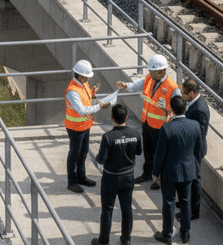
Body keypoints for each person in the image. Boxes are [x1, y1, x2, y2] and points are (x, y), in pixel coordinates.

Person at [116, 54, 180, 190]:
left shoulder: (172, 88)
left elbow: (179, 109)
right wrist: (125, 85)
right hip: (147, 123)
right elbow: (136, 85)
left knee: (160, 154)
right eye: (149, 71)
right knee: (148, 151)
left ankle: (159, 179)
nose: (150, 74)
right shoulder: (149, 79)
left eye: (153, 71)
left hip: (162, 127)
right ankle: (147, 173)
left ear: (162, 71)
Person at [152, 95, 202, 245]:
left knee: (168, 203)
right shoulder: (195, 125)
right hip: (187, 171)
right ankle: (185, 233)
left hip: (169, 173)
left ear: (170, 109)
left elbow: (160, 154)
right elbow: (198, 151)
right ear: (185, 108)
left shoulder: (167, 129)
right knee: (186, 202)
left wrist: (155, 172)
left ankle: (167, 234)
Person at [92, 104, 141, 245]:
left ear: (112, 118)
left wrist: (97, 156)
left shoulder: (108, 137)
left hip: (111, 178)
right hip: (128, 177)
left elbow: (101, 160)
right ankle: (126, 239)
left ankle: (103, 240)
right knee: (127, 209)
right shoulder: (135, 134)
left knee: (107, 209)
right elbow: (138, 152)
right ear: (127, 117)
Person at [65, 60, 110, 193]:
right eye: (85, 77)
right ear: (79, 75)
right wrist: (99, 106)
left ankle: (81, 176)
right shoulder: (72, 91)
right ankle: (71, 182)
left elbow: (85, 98)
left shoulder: (83, 84)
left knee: (83, 153)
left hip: (84, 125)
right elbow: (82, 110)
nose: (87, 79)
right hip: (75, 127)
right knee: (74, 154)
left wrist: (92, 93)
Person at [182, 78, 210, 220]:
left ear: (191, 93)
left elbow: (201, 133)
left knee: (194, 180)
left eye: (184, 94)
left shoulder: (199, 109)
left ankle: (193, 211)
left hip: (194, 150)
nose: (182, 96)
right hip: (190, 148)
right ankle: (184, 203)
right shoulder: (193, 103)